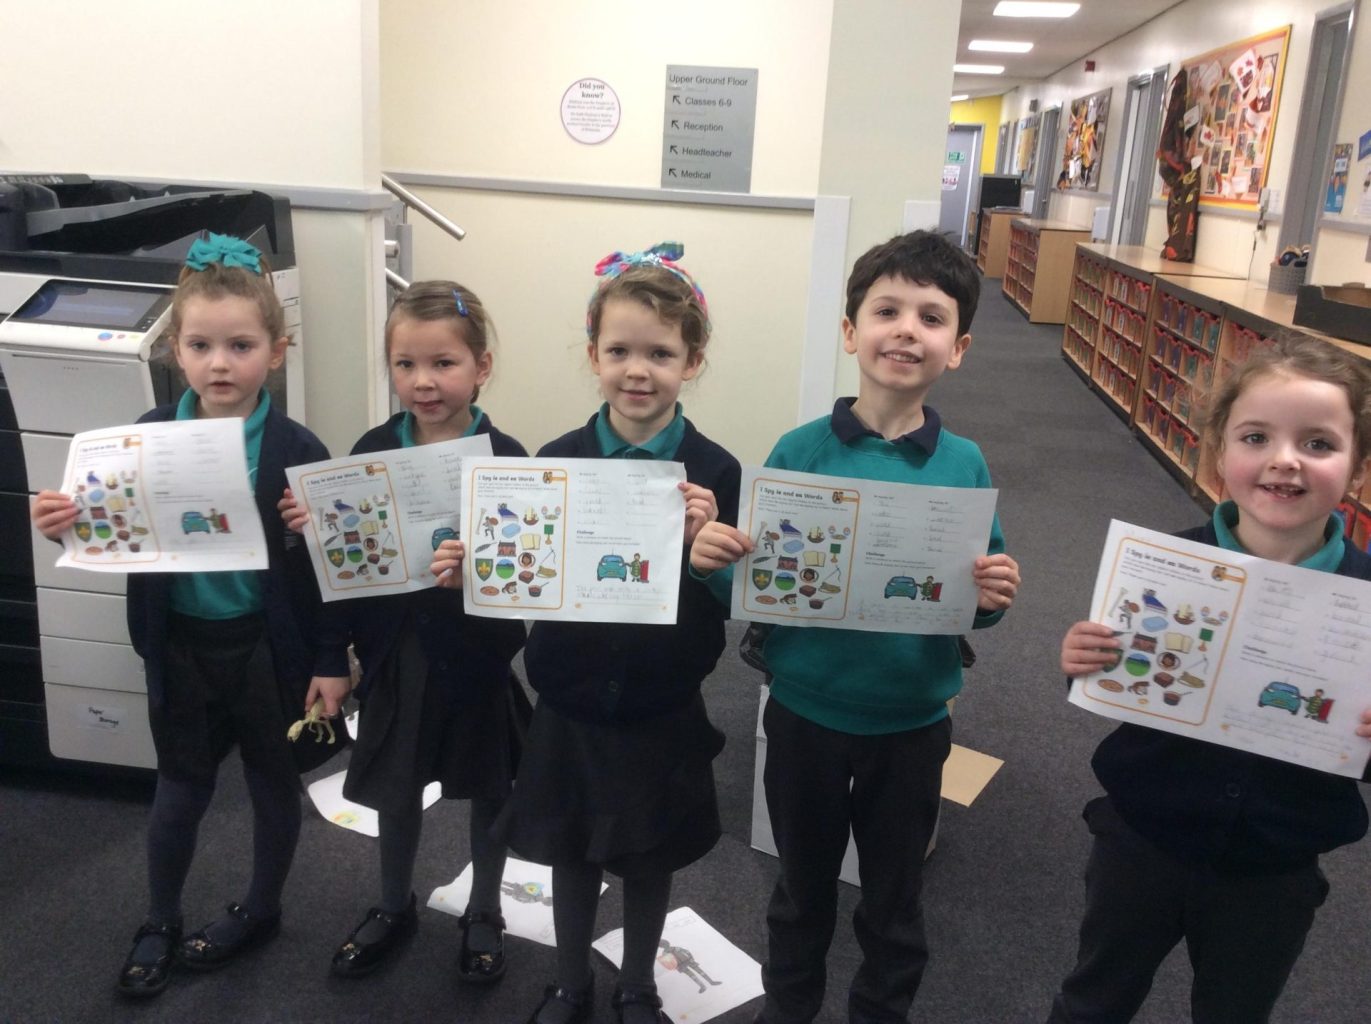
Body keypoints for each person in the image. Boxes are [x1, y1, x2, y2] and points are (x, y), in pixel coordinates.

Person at [690, 230, 1020, 1024]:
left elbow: (977, 592)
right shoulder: (800, 449)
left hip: (910, 723)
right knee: (800, 888)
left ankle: (880, 1011)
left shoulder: (963, 462)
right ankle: (789, 1006)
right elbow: (758, 581)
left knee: (894, 897)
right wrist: (709, 563)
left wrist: (992, 596)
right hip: (803, 714)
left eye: (930, 318)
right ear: (850, 332)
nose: (906, 330)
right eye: (886, 311)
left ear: (958, 348)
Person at [30, 234, 350, 999]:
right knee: (179, 788)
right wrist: (63, 523)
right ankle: (160, 917)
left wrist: (328, 644)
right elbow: (108, 529)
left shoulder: (296, 447)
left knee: (273, 784)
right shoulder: (143, 437)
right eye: (201, 345)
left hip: (268, 649)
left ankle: (262, 909)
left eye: (241, 346)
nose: (219, 364)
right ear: (175, 348)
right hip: (181, 645)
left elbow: (331, 570)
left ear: (276, 351)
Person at [432, 242, 739, 1024]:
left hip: (661, 699)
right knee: (571, 853)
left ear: (692, 361)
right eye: (619, 351)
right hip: (569, 698)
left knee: (649, 855)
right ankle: (570, 981)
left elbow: (732, 593)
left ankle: (636, 982)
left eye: (660, 354)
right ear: (593, 354)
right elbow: (528, 574)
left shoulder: (714, 470)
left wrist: (704, 551)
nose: (638, 371)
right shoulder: (557, 461)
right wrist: (483, 569)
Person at [1046, 335, 1371, 1024]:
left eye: (1317, 444)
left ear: (1358, 467)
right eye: (1256, 437)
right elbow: (1116, 682)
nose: (1284, 460)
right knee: (1094, 997)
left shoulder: (1365, 598)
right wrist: (1082, 661)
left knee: (1234, 1010)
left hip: (1274, 866)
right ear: (1219, 452)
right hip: (1142, 839)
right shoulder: (1165, 567)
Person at [278, 281, 529, 981]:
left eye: (444, 363)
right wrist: (315, 536)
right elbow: (345, 572)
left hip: (477, 656)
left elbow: (529, 569)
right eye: (405, 364)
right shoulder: (371, 449)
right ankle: (393, 904)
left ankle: (485, 907)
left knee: (491, 787)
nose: (423, 381)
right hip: (397, 653)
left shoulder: (508, 456)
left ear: (481, 367)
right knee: (396, 788)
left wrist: (484, 569)